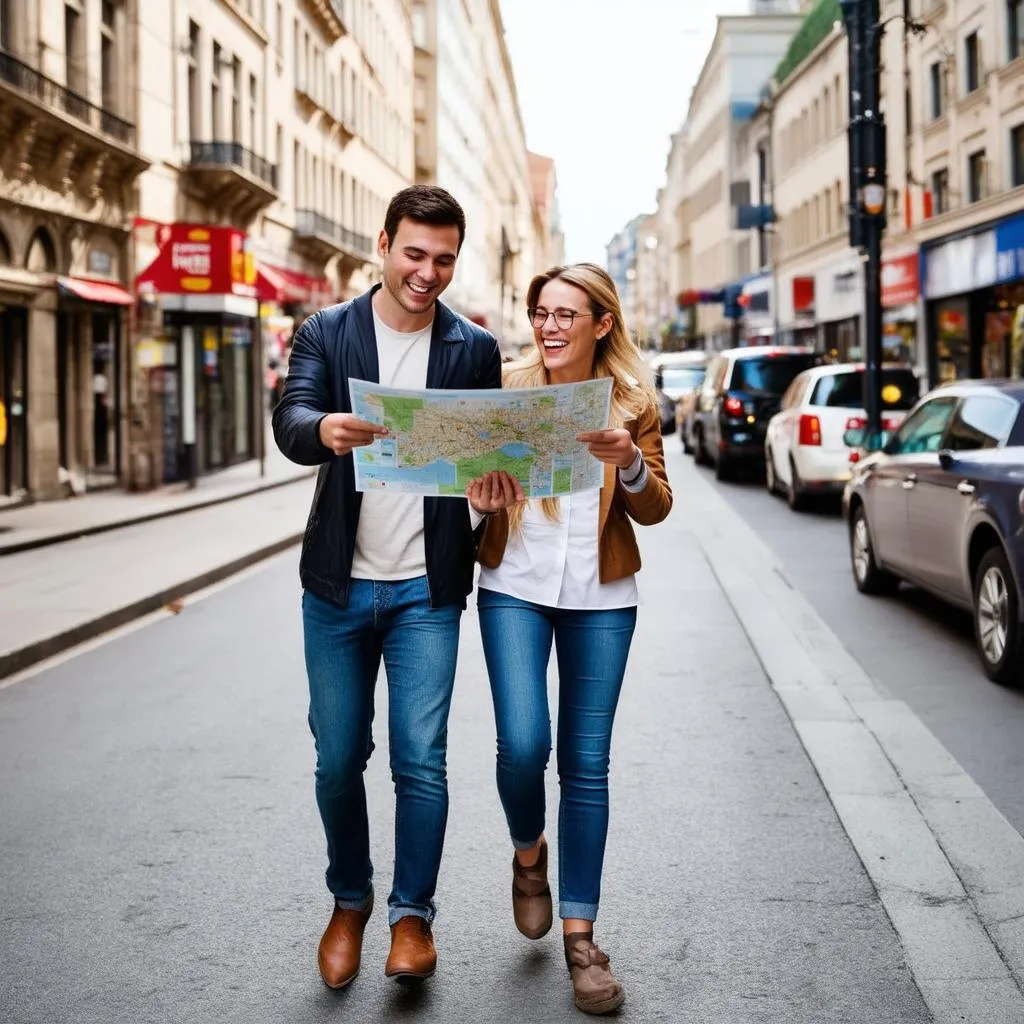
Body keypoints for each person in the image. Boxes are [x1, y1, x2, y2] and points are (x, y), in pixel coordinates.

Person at [272, 185, 503, 991]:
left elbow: (484, 455)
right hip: (337, 589)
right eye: (414, 253)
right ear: (384, 243)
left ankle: (411, 916)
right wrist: (321, 430)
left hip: (426, 592)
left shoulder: (474, 347)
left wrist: (488, 489)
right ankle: (349, 901)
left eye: (443, 259)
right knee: (338, 759)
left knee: (422, 762)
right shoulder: (327, 332)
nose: (427, 273)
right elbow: (291, 416)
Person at [467, 263, 672, 1015]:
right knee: (522, 744)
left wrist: (632, 469)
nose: (549, 328)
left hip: (603, 598)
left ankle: (582, 941)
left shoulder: (633, 404)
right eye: (541, 314)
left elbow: (657, 507)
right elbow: (467, 489)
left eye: (566, 316)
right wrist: (478, 498)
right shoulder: (506, 390)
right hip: (514, 587)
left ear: (601, 324)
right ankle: (530, 856)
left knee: (587, 764)